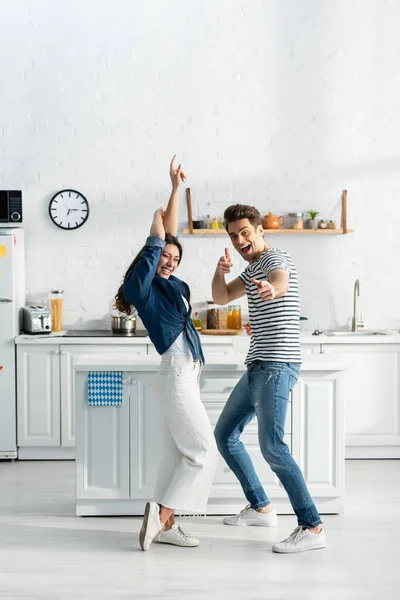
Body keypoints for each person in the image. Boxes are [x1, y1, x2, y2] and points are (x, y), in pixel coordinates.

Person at [114, 157, 218, 551]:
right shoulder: (144, 288)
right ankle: (159, 516)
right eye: (164, 259)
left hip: (186, 375)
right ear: (150, 259)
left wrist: (176, 189)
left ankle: (169, 522)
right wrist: (155, 237)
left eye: (176, 261)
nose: (170, 264)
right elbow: (161, 239)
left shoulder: (173, 285)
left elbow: (170, 238)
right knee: (202, 452)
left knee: (182, 454)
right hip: (176, 375)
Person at [212, 203, 326, 554]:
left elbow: (281, 278)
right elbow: (219, 297)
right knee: (225, 434)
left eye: (245, 232)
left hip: (277, 364)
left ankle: (313, 527)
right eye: (234, 236)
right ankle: (261, 507)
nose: (240, 240)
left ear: (260, 230)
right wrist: (220, 272)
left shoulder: (275, 257)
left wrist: (272, 290)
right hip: (258, 365)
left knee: (272, 446)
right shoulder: (249, 271)